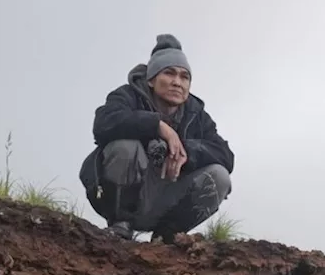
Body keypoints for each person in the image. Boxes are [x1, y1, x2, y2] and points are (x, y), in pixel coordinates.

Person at [79, 34, 235, 241]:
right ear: (151, 80)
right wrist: (158, 127)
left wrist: (184, 151)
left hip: (167, 197)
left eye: (184, 77)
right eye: (169, 73)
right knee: (125, 146)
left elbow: (225, 155)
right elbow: (103, 124)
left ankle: (166, 237)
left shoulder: (197, 114)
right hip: (117, 194)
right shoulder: (127, 95)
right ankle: (120, 226)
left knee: (220, 177)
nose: (177, 82)